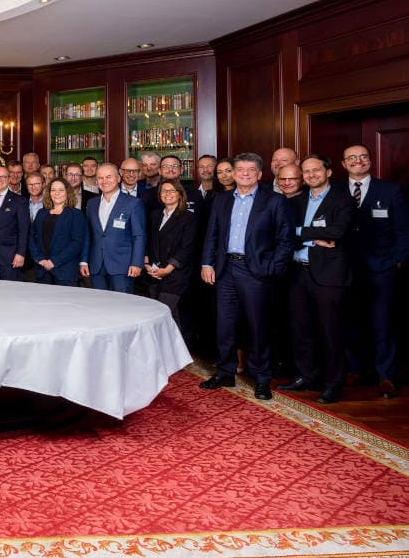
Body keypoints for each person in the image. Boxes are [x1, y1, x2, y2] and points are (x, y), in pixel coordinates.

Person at [200, 152, 297, 400]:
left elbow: (286, 241)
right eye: (239, 169)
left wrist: (273, 269)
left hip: (256, 272)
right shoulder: (221, 200)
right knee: (224, 325)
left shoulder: (274, 201)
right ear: (232, 173)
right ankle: (225, 372)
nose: (244, 173)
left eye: (249, 170)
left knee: (258, 326)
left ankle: (262, 378)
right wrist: (207, 264)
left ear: (259, 174)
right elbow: (212, 235)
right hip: (225, 270)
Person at [277, 154, 355, 403]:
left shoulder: (342, 199)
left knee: (330, 331)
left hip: (329, 276)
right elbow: (284, 230)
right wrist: (314, 236)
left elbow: (337, 231)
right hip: (298, 272)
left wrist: (300, 232)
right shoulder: (297, 201)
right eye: (306, 172)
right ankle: (304, 375)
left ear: (329, 172)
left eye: (316, 170)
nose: (311, 175)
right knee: (301, 329)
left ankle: (333, 383)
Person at [342, 143, 409, 399]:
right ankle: (356, 369)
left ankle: (386, 375)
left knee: (382, 323)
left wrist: (398, 261)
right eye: (352, 158)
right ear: (343, 164)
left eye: (363, 156)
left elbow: (404, 230)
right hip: (345, 269)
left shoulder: (390, 190)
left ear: (370, 161)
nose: (358, 161)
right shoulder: (335, 190)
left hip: (382, 268)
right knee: (350, 320)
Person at [83, 162, 146, 293]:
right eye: (100, 178)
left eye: (108, 177)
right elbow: (87, 235)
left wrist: (137, 263)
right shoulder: (91, 203)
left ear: (118, 178)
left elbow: (139, 236)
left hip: (123, 265)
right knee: (99, 304)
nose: (104, 181)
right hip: (96, 264)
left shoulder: (133, 203)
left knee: (123, 306)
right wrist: (84, 261)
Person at [143, 180, 196, 328]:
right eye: (164, 191)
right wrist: (146, 264)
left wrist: (167, 269)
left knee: (163, 313)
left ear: (180, 194)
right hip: (154, 272)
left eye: (172, 191)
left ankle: (175, 349)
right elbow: (148, 240)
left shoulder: (188, 217)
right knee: (167, 317)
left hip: (175, 274)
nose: (168, 194)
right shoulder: (154, 215)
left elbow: (187, 248)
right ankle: (174, 349)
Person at [29, 178, 88, 286]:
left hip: (65, 271)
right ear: (49, 193)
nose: (57, 193)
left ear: (67, 192)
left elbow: (77, 243)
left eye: (61, 190)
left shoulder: (76, 214)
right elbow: (32, 237)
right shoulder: (41, 213)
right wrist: (39, 259)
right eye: (53, 190)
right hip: (42, 269)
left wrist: (54, 261)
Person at [0, 166, 28, 281]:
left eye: (3, 176)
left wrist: (21, 254)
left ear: (9, 179)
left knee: (9, 293)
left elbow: (24, 230)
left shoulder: (19, 201)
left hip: (10, 257)